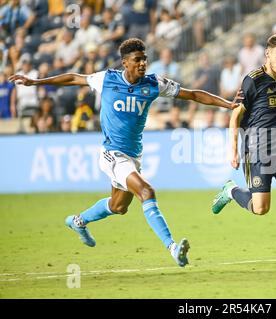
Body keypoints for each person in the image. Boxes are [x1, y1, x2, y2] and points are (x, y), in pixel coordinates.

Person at [9, 38, 239, 268]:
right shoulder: (106, 79)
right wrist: (36, 82)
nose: (142, 64)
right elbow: (73, 78)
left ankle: (78, 221)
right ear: (125, 63)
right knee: (147, 191)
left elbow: (193, 95)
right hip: (112, 154)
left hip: (133, 156)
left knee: (119, 206)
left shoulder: (153, 84)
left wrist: (228, 105)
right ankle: (173, 248)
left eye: (144, 59)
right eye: (137, 60)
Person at [211, 34, 276, 269]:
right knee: (260, 208)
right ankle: (231, 191)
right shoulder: (252, 80)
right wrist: (234, 151)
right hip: (258, 152)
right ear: (267, 54)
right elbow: (235, 115)